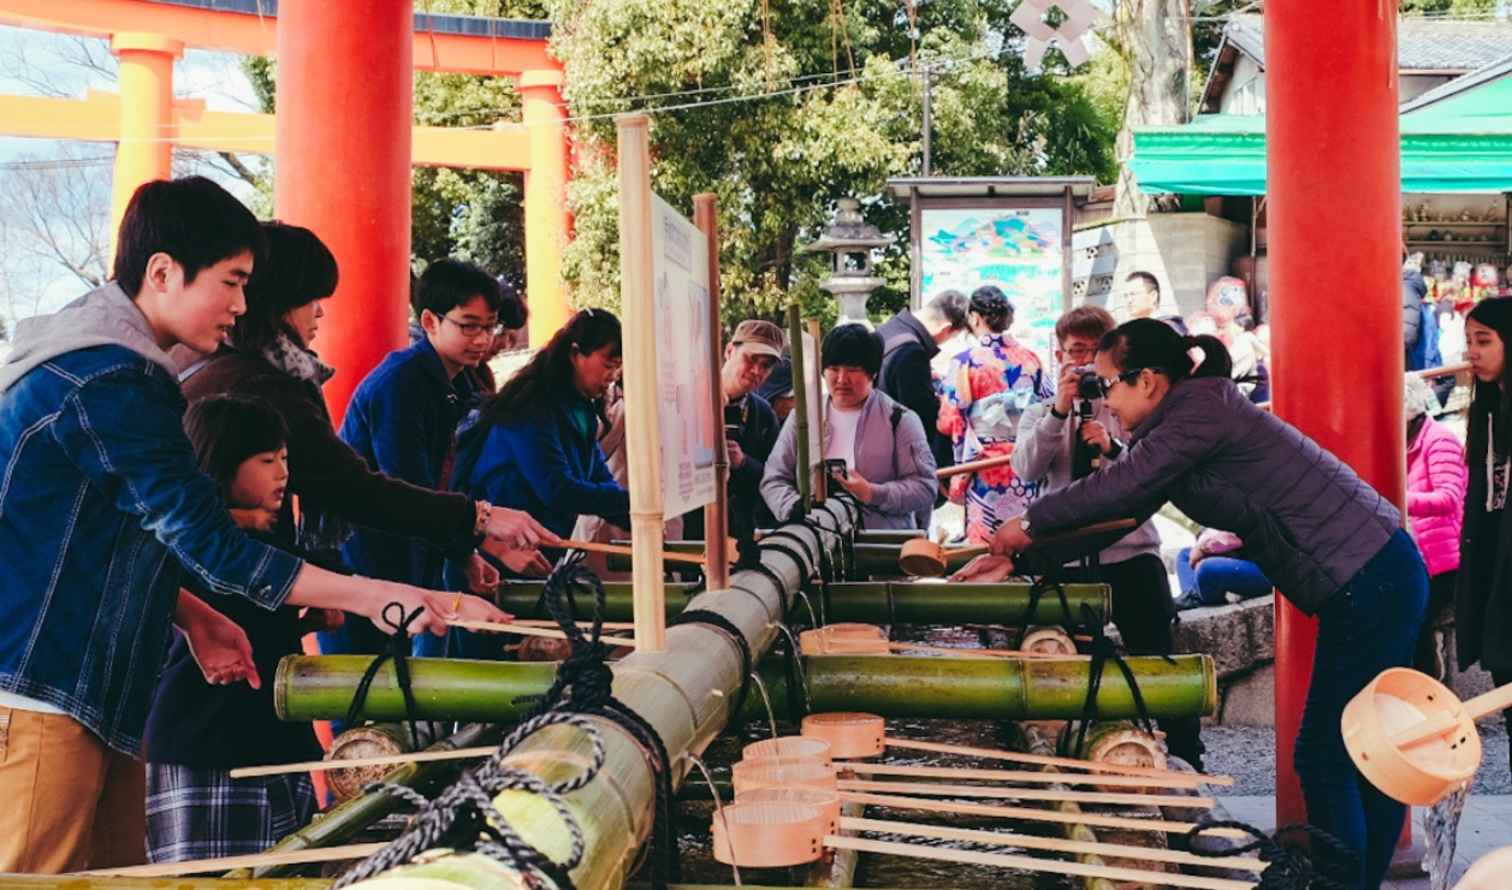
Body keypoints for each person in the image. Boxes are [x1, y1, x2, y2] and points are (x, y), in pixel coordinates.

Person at [0, 178, 507, 873]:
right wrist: (377, 596)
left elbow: (105, 530)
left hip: (93, 689)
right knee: (41, 876)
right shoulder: (105, 377)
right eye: (232, 282)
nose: (244, 305)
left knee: (108, 874)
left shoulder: (127, 368)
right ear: (162, 273)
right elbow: (203, 534)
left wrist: (190, 615)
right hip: (41, 688)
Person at [988, 318, 1428, 890]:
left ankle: (1343, 884)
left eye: (1108, 384)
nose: (1104, 401)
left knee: (1327, 753)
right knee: (1353, 748)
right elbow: (1123, 514)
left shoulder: (1199, 412)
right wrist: (1022, 558)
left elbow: (1118, 490)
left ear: (1147, 380)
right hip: (1371, 571)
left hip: (1373, 575)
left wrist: (1027, 523)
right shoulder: (1180, 423)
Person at [179, 223, 550, 657]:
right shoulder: (264, 383)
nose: (319, 313)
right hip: (238, 599)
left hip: (267, 586)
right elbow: (351, 487)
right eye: (311, 299)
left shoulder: (253, 372)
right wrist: (477, 521)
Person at [959, 305, 1203, 769]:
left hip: (1132, 556)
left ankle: (1187, 760)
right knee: (1064, 667)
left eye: (1096, 354)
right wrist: (1058, 413)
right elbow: (1026, 469)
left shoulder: (1129, 407)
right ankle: (1075, 757)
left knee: (1160, 662)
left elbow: (1148, 475)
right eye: (1076, 353)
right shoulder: (1040, 411)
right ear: (1059, 355)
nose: (1088, 365)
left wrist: (1112, 447)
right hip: (1065, 561)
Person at [143, 396, 341, 862]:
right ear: (221, 464)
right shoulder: (195, 544)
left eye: (285, 459)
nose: (282, 473)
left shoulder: (269, 534)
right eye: (266, 460)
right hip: (207, 750)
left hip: (275, 743)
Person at [339, 259, 508, 651]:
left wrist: (462, 554)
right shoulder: (400, 383)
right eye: (469, 325)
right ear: (430, 321)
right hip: (364, 560)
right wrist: (466, 541)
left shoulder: (456, 382)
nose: (483, 338)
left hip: (406, 550)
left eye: (489, 326)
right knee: (359, 686)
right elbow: (408, 485)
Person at [451, 308, 631, 556]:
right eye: (608, 365)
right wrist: (629, 505)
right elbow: (556, 489)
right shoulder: (530, 407)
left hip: (538, 551)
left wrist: (636, 516)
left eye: (617, 368)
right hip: (497, 553)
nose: (612, 377)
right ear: (575, 353)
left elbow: (600, 476)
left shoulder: (583, 408)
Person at [761, 324, 936, 530]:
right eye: (834, 369)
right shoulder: (803, 417)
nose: (842, 379)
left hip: (879, 544)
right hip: (816, 542)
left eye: (853, 370)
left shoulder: (899, 420)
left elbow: (925, 487)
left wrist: (872, 493)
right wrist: (795, 508)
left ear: (873, 373)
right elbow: (774, 478)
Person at [937, 286, 1050, 542]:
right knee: (1025, 535)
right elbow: (1048, 406)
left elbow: (949, 419)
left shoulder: (966, 361)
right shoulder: (1030, 359)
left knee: (986, 546)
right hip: (1026, 462)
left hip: (985, 466)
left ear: (975, 317)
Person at [1455, 297, 1512, 770]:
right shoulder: (1487, 412)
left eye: (1484, 341)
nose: (1472, 353)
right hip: (1498, 584)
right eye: (1469, 342)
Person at [682, 319, 784, 542]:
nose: (757, 370)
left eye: (766, 365)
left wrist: (744, 463)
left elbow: (777, 475)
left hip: (741, 533)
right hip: (688, 530)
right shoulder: (687, 397)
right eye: (751, 359)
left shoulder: (763, 413)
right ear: (729, 350)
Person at [1402, 372, 1465, 681]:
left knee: (1411, 615)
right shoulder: (1405, 444)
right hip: (1422, 558)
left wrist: (1400, 499)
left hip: (1447, 561)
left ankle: (1428, 684)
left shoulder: (1439, 439)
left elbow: (1449, 498)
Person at [876, 290, 969, 472]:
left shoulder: (890, 329)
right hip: (895, 461)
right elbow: (923, 416)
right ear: (946, 329)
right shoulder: (912, 353)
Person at [1174, 529, 1272, 610]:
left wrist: (1202, 548)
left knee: (1207, 568)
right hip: (1248, 557)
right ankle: (1192, 595)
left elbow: (1231, 539)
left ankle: (1197, 595)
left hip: (1271, 570)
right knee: (1185, 554)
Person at [1120, 271, 1186, 332]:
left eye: (1133, 294)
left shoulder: (1167, 328)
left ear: (1153, 296)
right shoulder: (1132, 330)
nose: (1129, 300)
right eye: (1126, 296)